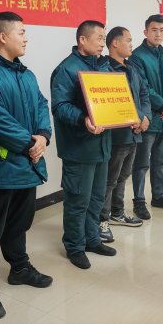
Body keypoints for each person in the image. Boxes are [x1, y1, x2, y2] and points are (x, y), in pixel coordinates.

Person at [0, 12, 53, 319]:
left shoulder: (25, 74)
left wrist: (43, 135)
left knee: (20, 223)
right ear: (3, 37)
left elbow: (41, 105)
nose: (26, 38)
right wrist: (31, 143)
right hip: (1, 167)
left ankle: (19, 268)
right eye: (21, 32)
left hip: (26, 165)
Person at [51, 20, 116, 270]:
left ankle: (92, 239)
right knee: (78, 200)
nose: (103, 43)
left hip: (102, 146)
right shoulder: (66, 69)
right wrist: (83, 119)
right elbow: (60, 107)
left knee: (97, 197)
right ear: (82, 40)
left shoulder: (103, 66)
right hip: (79, 147)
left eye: (104, 38)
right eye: (99, 38)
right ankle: (75, 246)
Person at [98, 27, 151, 243]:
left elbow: (143, 94)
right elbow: (117, 100)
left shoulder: (132, 68)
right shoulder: (104, 70)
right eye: (128, 40)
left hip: (135, 134)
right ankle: (101, 220)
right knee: (109, 180)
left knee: (123, 176)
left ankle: (117, 213)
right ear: (115, 43)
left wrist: (145, 117)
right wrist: (137, 117)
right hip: (117, 135)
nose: (131, 44)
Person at [130, 14, 163, 220]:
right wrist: (162, 105)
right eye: (154, 30)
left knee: (160, 161)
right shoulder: (137, 56)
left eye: (162, 30)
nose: (158, 34)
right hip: (148, 118)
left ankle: (159, 196)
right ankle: (139, 201)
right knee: (141, 163)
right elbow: (142, 87)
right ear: (145, 32)